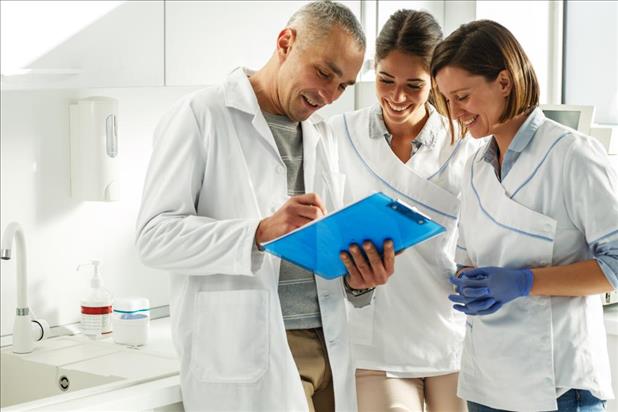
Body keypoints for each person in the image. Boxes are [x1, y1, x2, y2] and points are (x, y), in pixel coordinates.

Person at [135, 2, 395, 411]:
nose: (329, 95)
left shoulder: (320, 135)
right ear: (285, 42)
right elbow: (153, 237)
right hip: (250, 350)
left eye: (343, 86)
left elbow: (322, 251)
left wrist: (359, 281)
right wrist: (257, 233)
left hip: (328, 346)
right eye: (324, 73)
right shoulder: (201, 116)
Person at [432, 19, 618, 412]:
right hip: (487, 380)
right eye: (447, 100)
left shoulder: (573, 155)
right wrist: (470, 282)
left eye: (462, 96)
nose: (455, 111)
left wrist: (524, 282)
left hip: (559, 386)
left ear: (503, 82)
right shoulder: (476, 167)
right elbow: (470, 255)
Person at [328, 10, 482, 412]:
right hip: (376, 338)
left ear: (434, 81)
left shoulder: (465, 144)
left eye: (414, 85)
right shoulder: (337, 135)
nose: (397, 97)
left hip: (451, 332)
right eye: (385, 80)